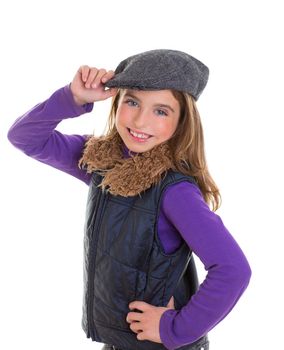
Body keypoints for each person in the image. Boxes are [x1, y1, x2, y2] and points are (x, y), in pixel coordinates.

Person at [7, 49, 252, 350]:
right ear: (117, 101)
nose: (140, 120)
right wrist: (73, 97)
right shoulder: (102, 163)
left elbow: (233, 269)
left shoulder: (174, 191)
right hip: (120, 341)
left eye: (161, 111)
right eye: (132, 102)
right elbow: (24, 137)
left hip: (156, 344)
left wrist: (174, 328)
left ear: (181, 122)